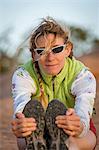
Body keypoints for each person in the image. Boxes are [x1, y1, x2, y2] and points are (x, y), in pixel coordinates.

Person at [11, 17, 96, 150]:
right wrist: (21, 124)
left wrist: (78, 125)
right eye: (42, 51)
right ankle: (40, 143)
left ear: (67, 49)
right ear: (34, 55)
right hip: (37, 127)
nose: (50, 58)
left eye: (56, 49)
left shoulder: (83, 76)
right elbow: (21, 105)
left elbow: (83, 111)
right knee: (23, 139)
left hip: (73, 130)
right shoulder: (23, 75)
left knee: (78, 141)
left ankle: (63, 145)